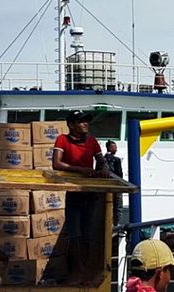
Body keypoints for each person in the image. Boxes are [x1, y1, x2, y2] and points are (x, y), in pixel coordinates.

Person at [52, 110, 108, 283]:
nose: (85, 124)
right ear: (71, 125)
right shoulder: (62, 139)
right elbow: (56, 163)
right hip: (74, 192)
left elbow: (101, 160)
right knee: (75, 234)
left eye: (86, 121)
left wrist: (104, 168)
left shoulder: (92, 142)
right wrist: (81, 170)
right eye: (81, 121)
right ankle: (77, 271)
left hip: (90, 193)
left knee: (87, 235)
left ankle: (82, 270)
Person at [104, 140, 124, 225]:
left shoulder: (102, 159)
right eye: (115, 147)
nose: (116, 149)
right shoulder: (116, 160)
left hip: (105, 186)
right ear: (110, 148)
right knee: (118, 206)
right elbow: (119, 173)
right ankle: (115, 224)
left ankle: (107, 222)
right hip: (116, 185)